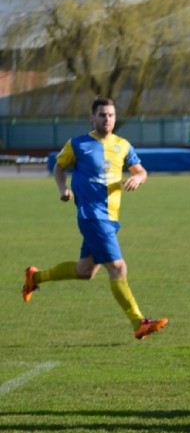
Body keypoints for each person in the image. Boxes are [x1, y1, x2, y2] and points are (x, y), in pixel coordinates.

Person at [22, 96, 168, 341]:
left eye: (111, 115)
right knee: (118, 267)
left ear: (115, 117)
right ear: (93, 117)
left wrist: (137, 178)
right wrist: (62, 189)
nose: (107, 119)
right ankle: (138, 322)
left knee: (85, 270)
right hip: (91, 216)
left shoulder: (123, 145)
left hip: (110, 218)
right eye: (102, 115)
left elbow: (141, 170)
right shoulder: (78, 144)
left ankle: (34, 277)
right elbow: (59, 167)